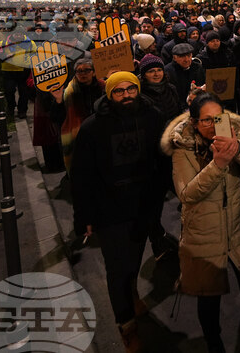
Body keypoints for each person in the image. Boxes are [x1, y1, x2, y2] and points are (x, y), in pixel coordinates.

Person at [70, 72, 168, 351]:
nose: (126, 95)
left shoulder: (153, 117)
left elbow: (163, 159)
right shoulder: (92, 128)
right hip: (109, 210)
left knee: (134, 259)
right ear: (109, 95)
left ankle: (132, 292)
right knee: (117, 269)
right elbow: (81, 176)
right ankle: (127, 326)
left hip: (143, 205)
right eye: (119, 91)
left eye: (131, 89)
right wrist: (84, 217)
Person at [161, 94, 240, 353]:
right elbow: (187, 194)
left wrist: (237, 148)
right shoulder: (182, 150)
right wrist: (218, 165)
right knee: (209, 299)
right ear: (194, 122)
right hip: (203, 235)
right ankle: (214, 343)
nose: (213, 124)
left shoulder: (231, 134)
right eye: (206, 120)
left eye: (218, 118)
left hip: (237, 230)